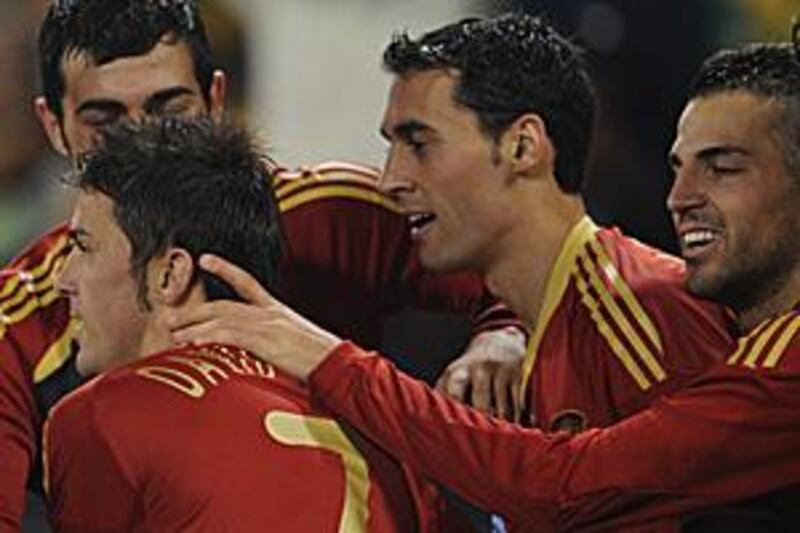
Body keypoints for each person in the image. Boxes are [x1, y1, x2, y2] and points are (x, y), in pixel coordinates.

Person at [167, 17, 800, 531]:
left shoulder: (647, 308)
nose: (392, 179)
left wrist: (326, 358)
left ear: (523, 147)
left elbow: (562, 486)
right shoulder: (545, 322)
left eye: (420, 143)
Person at [0, 1, 524, 528]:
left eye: (169, 112)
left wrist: (506, 333)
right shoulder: (16, 326)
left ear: (216, 100)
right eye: (106, 122)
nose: (144, 149)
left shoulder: (332, 214)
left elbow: (537, 255)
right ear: (54, 126)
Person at [44, 116, 442, 532]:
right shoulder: (387, 434)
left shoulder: (101, 416)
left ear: (169, 274)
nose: (63, 280)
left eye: (83, 248)